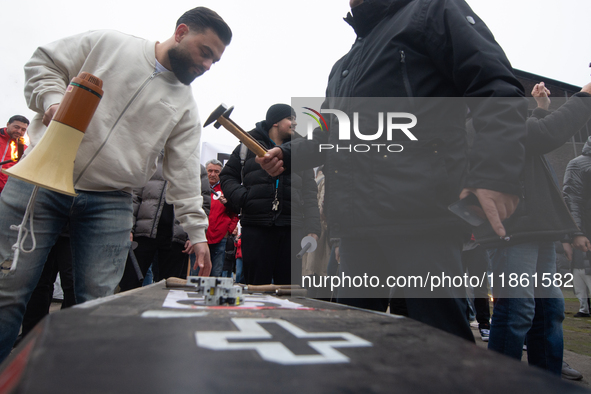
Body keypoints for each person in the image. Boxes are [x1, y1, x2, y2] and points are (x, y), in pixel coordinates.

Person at [256, 0, 527, 341]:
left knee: (439, 345)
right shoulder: (344, 65)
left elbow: (495, 83)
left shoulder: (432, 10)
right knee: (352, 341)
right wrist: (288, 153)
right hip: (357, 230)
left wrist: (496, 172)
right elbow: (329, 133)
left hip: (423, 218)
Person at [0, 6, 232, 363]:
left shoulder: (185, 107)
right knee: (7, 291)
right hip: (38, 183)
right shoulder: (109, 44)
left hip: (110, 202)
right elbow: (42, 63)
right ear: (182, 31)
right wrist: (52, 102)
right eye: (206, 52)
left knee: (98, 304)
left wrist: (197, 234)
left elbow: (185, 173)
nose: (207, 66)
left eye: (215, 61)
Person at [474, 81, 591, 376]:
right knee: (517, 311)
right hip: (511, 230)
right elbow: (541, 134)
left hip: (536, 228)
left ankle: (547, 377)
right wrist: (585, 97)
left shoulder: (506, 125)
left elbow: (530, 136)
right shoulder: (481, 120)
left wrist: (540, 109)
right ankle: (501, 380)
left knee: (549, 310)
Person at [221, 104, 320, 285]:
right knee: (256, 288)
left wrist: (313, 227)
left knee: (289, 289)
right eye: (290, 118)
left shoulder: (301, 151)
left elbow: (310, 191)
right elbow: (227, 176)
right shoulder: (246, 147)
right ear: (275, 122)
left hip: (292, 228)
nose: (295, 123)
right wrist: (244, 197)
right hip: (256, 228)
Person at [118, 151, 194, 291]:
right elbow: (134, 197)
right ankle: (126, 312)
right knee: (130, 282)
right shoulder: (148, 161)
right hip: (143, 232)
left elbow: (201, 204)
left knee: (170, 288)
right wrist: (129, 227)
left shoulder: (194, 168)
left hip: (177, 237)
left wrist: (193, 235)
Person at [203, 159, 239, 277]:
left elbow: (236, 212)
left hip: (220, 238)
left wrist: (229, 230)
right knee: (199, 273)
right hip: (201, 237)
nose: (213, 174)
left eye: (216, 171)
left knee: (216, 274)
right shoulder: (198, 188)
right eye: (210, 171)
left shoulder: (226, 189)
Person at [0, 115, 29, 193]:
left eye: (23, 129)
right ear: (8, 124)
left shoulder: (25, 149)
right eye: (16, 127)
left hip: (5, 191)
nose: (19, 131)